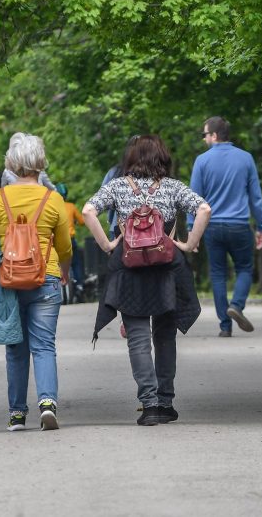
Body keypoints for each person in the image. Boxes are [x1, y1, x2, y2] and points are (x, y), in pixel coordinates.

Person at [83, 134, 211, 426]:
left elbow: (88, 210)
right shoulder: (172, 187)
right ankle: (166, 402)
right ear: (162, 158)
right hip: (166, 268)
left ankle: (149, 403)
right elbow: (204, 208)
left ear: (130, 159)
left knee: (138, 339)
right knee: (165, 336)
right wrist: (189, 244)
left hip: (129, 269)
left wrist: (107, 244)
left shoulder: (116, 186)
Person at [0, 133, 72, 432]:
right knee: (44, 346)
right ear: (40, 162)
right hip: (46, 278)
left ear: (11, 163)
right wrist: (64, 270)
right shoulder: (53, 199)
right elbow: (65, 245)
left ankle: (17, 414)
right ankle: (48, 404)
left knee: (15, 349)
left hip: (9, 281)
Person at [190, 116, 262, 337]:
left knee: (217, 274)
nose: (204, 139)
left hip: (211, 227)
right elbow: (256, 198)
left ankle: (225, 326)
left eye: (205, 134)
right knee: (244, 268)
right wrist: (261, 226)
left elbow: (193, 199)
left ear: (214, 135)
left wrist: (191, 229)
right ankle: (237, 305)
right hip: (240, 225)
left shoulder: (202, 161)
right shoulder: (246, 159)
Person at [56, 183, 86, 298]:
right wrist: (76, 222)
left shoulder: (53, 206)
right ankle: (79, 284)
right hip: (70, 239)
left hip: (57, 240)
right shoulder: (71, 206)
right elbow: (82, 221)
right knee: (76, 262)